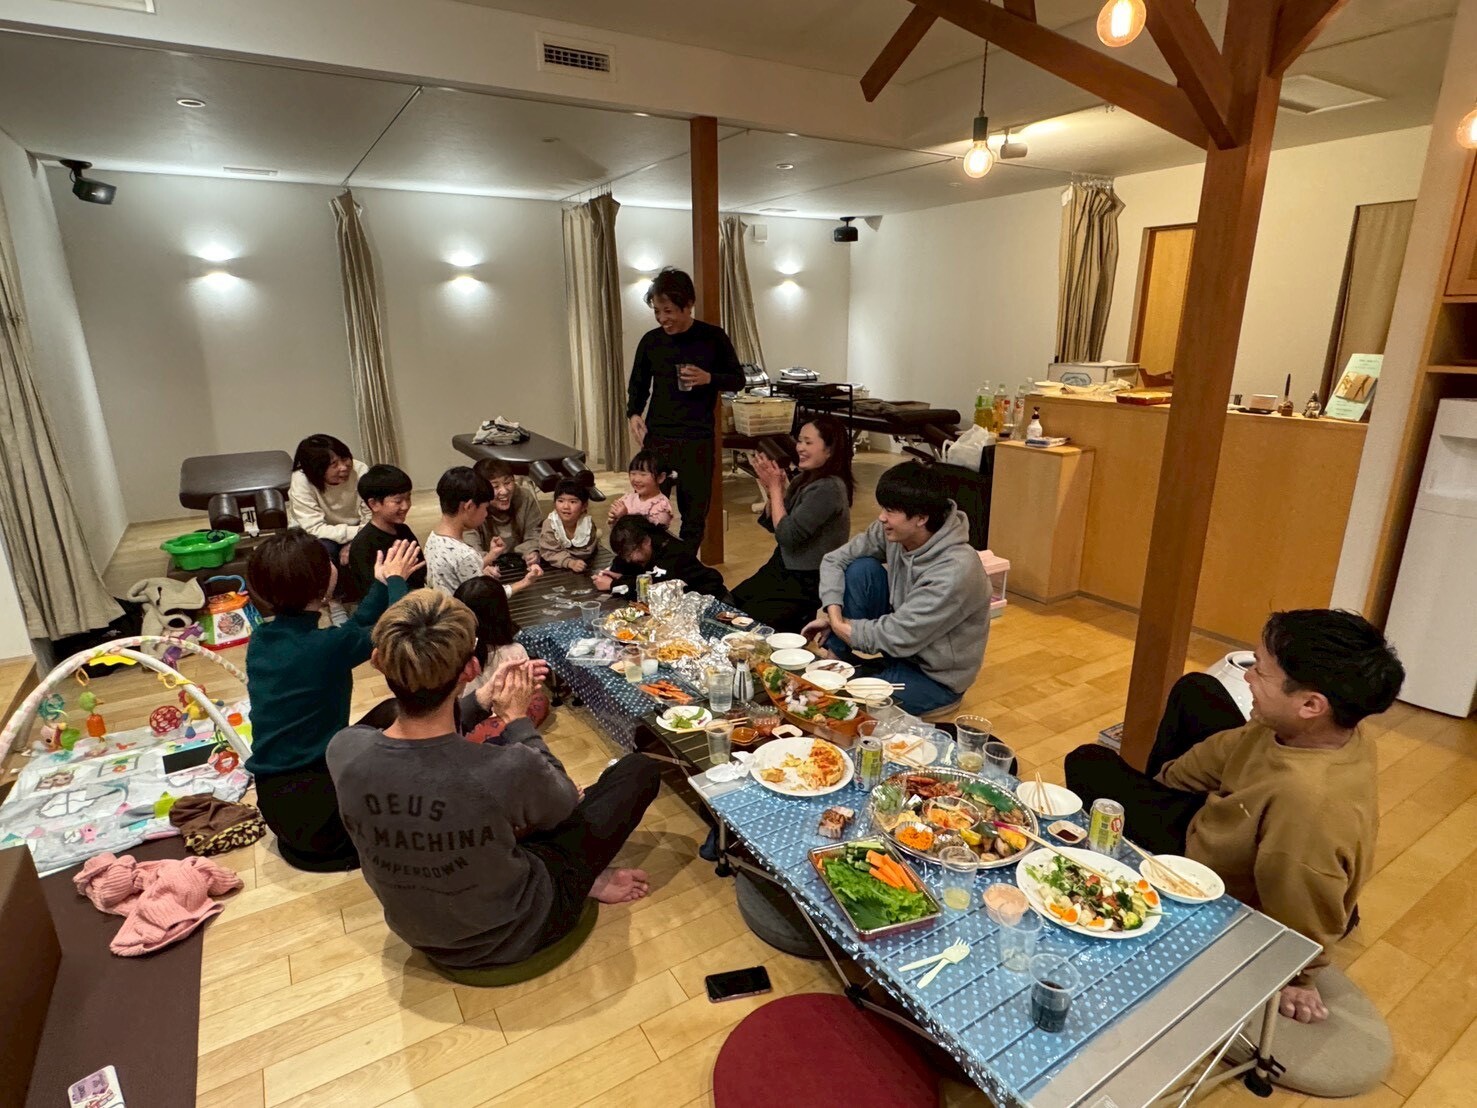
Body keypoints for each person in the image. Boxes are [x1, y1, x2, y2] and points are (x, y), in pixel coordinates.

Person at [1065, 609, 1404, 1025]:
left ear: (1310, 704)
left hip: (1218, 870)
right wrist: (1165, 783)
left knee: (1088, 762)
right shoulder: (1319, 728)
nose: (1247, 677)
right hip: (1234, 817)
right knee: (1197, 690)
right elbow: (1230, 747)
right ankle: (1155, 797)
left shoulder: (1308, 804)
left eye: (1260, 671)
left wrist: (1301, 974)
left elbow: (1302, 889)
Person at [325, 590, 663, 971]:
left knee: (510, 811)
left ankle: (585, 876)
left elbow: (423, 747)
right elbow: (566, 802)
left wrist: (481, 700)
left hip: (419, 934)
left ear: (378, 662)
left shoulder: (343, 750)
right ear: (471, 669)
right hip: (518, 930)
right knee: (639, 771)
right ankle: (586, 880)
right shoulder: (506, 769)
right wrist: (517, 720)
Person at [244, 530, 422, 871]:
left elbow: (355, 630)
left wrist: (381, 584)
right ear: (322, 582)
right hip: (321, 817)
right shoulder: (325, 647)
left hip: (277, 806)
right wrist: (397, 581)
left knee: (390, 712)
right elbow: (397, 628)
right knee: (407, 724)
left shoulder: (262, 639)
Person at [806, 462, 989, 716]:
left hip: (933, 677)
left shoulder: (956, 569)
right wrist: (835, 618)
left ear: (921, 518)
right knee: (861, 569)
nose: (882, 517)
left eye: (890, 511)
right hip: (899, 653)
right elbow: (834, 560)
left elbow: (900, 634)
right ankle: (836, 660)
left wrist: (842, 627)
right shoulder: (895, 533)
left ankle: (933, 698)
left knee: (847, 707)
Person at [626, 267, 745, 549]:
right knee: (647, 509)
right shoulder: (651, 341)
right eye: (657, 311)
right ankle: (653, 564)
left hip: (697, 438)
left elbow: (737, 380)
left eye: (668, 311)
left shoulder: (712, 337)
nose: (662, 318)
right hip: (658, 436)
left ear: (688, 304)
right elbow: (638, 384)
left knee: (694, 514)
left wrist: (709, 378)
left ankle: (686, 565)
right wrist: (633, 413)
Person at [731, 416, 854, 632]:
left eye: (808, 442)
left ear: (830, 450)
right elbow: (776, 524)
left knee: (749, 628)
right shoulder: (804, 479)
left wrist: (776, 489)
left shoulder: (829, 488)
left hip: (805, 579)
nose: (800, 448)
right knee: (728, 607)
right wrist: (772, 490)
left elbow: (787, 535)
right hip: (782, 567)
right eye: (799, 441)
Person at [453, 577, 550, 741]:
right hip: (499, 718)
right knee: (540, 700)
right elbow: (524, 694)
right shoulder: (515, 651)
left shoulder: (452, 652)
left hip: (463, 719)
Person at [425, 467, 542, 599]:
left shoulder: (434, 538)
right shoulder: (465, 554)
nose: (486, 514)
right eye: (485, 508)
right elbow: (486, 597)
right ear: (469, 507)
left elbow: (461, 569)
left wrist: (491, 556)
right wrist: (525, 582)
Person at [343, 464, 427, 601]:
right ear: (374, 504)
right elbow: (370, 593)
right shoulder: (363, 545)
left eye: (408, 498)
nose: (405, 506)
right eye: (398, 501)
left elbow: (421, 569)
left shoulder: (403, 530)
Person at [286, 433, 370, 565]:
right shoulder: (302, 480)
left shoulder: (360, 471)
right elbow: (313, 529)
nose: (343, 467)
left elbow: (371, 514)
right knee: (322, 553)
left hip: (355, 528)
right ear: (317, 469)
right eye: (334, 464)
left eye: (344, 458)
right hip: (315, 534)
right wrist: (356, 533)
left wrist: (355, 540)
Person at [596, 516, 726, 599]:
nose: (629, 559)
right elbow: (623, 566)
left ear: (646, 541)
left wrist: (614, 585)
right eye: (625, 554)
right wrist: (619, 577)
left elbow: (657, 591)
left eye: (631, 553)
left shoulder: (673, 554)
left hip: (712, 599)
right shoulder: (636, 549)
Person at [472, 458, 542, 573]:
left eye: (507, 483)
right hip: (489, 566)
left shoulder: (524, 497)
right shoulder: (474, 507)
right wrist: (484, 563)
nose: (504, 491)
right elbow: (470, 545)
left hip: (520, 564)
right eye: (495, 486)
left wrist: (532, 552)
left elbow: (535, 531)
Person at [537, 479, 600, 573]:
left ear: (584, 506)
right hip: (553, 569)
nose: (566, 506)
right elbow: (549, 551)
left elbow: (588, 551)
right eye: (560, 501)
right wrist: (570, 562)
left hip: (585, 566)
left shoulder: (587, 524)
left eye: (573, 502)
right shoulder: (550, 524)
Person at [605, 450, 675, 532]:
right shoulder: (628, 499)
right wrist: (613, 519)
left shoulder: (661, 506)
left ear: (661, 477)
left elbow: (653, 535)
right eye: (633, 473)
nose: (637, 479)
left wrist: (625, 517)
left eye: (643, 474)